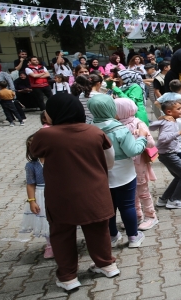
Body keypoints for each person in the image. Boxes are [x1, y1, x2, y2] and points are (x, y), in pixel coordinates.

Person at [30, 94, 118, 291]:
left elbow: (35, 153)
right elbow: (109, 161)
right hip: (96, 192)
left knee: (62, 234)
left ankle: (68, 277)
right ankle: (107, 265)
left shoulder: (46, 135)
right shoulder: (95, 132)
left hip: (62, 195)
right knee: (98, 230)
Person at [88, 95, 147, 248]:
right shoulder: (119, 129)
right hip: (124, 173)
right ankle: (133, 237)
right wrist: (141, 138)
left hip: (98, 173)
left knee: (108, 207)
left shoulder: (88, 128)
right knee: (127, 205)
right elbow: (133, 151)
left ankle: (112, 235)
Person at [115, 98, 159, 231]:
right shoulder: (116, 124)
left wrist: (140, 136)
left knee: (143, 192)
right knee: (131, 193)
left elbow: (151, 144)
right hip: (125, 165)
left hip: (138, 164)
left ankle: (151, 216)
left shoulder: (138, 123)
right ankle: (137, 216)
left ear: (123, 111)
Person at [150, 100, 181, 209]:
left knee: (179, 177)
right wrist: (179, 133)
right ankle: (174, 200)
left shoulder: (170, 120)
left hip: (167, 154)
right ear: (169, 112)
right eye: (178, 109)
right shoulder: (170, 123)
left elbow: (151, 125)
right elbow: (162, 139)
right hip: (169, 154)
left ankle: (164, 199)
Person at [19, 134, 53, 259]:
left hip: (56, 192)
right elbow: (30, 184)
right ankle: (50, 245)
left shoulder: (56, 160)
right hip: (41, 194)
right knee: (45, 221)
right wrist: (32, 201)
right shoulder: (32, 165)